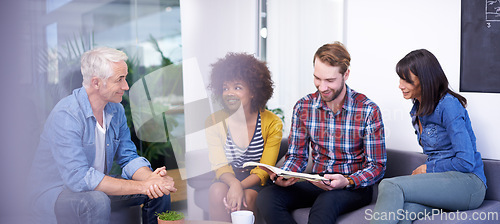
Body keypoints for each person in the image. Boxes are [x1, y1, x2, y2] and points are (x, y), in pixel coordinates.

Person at [28, 47, 176, 224]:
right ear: (96, 83)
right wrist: (141, 185)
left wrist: (150, 179)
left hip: (95, 188)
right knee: (97, 200)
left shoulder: (116, 110)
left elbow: (128, 157)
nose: (126, 86)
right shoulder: (66, 115)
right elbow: (79, 178)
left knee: (158, 191)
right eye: (119, 79)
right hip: (55, 192)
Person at [256, 41, 386, 224]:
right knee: (267, 197)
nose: (322, 87)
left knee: (326, 202)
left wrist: (347, 181)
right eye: (317, 78)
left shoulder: (368, 110)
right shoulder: (303, 107)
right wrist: (285, 174)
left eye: (330, 80)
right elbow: (297, 156)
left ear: (346, 74)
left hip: (351, 187)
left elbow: (377, 166)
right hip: (316, 182)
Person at [370, 49, 487, 223]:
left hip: (469, 184)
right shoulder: (418, 109)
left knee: (390, 185)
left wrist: (428, 169)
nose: (400, 85)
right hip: (443, 183)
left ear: (424, 79)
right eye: (400, 79)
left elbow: (466, 161)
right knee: (401, 215)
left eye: (406, 80)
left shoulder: (448, 105)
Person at [205, 52, 283, 222]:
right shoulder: (213, 122)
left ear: (253, 92)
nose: (229, 93)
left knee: (246, 198)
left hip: (255, 180)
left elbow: (264, 169)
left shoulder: (272, 123)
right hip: (227, 176)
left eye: (237, 87)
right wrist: (233, 184)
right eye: (225, 87)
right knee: (217, 192)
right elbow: (220, 165)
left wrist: (239, 186)